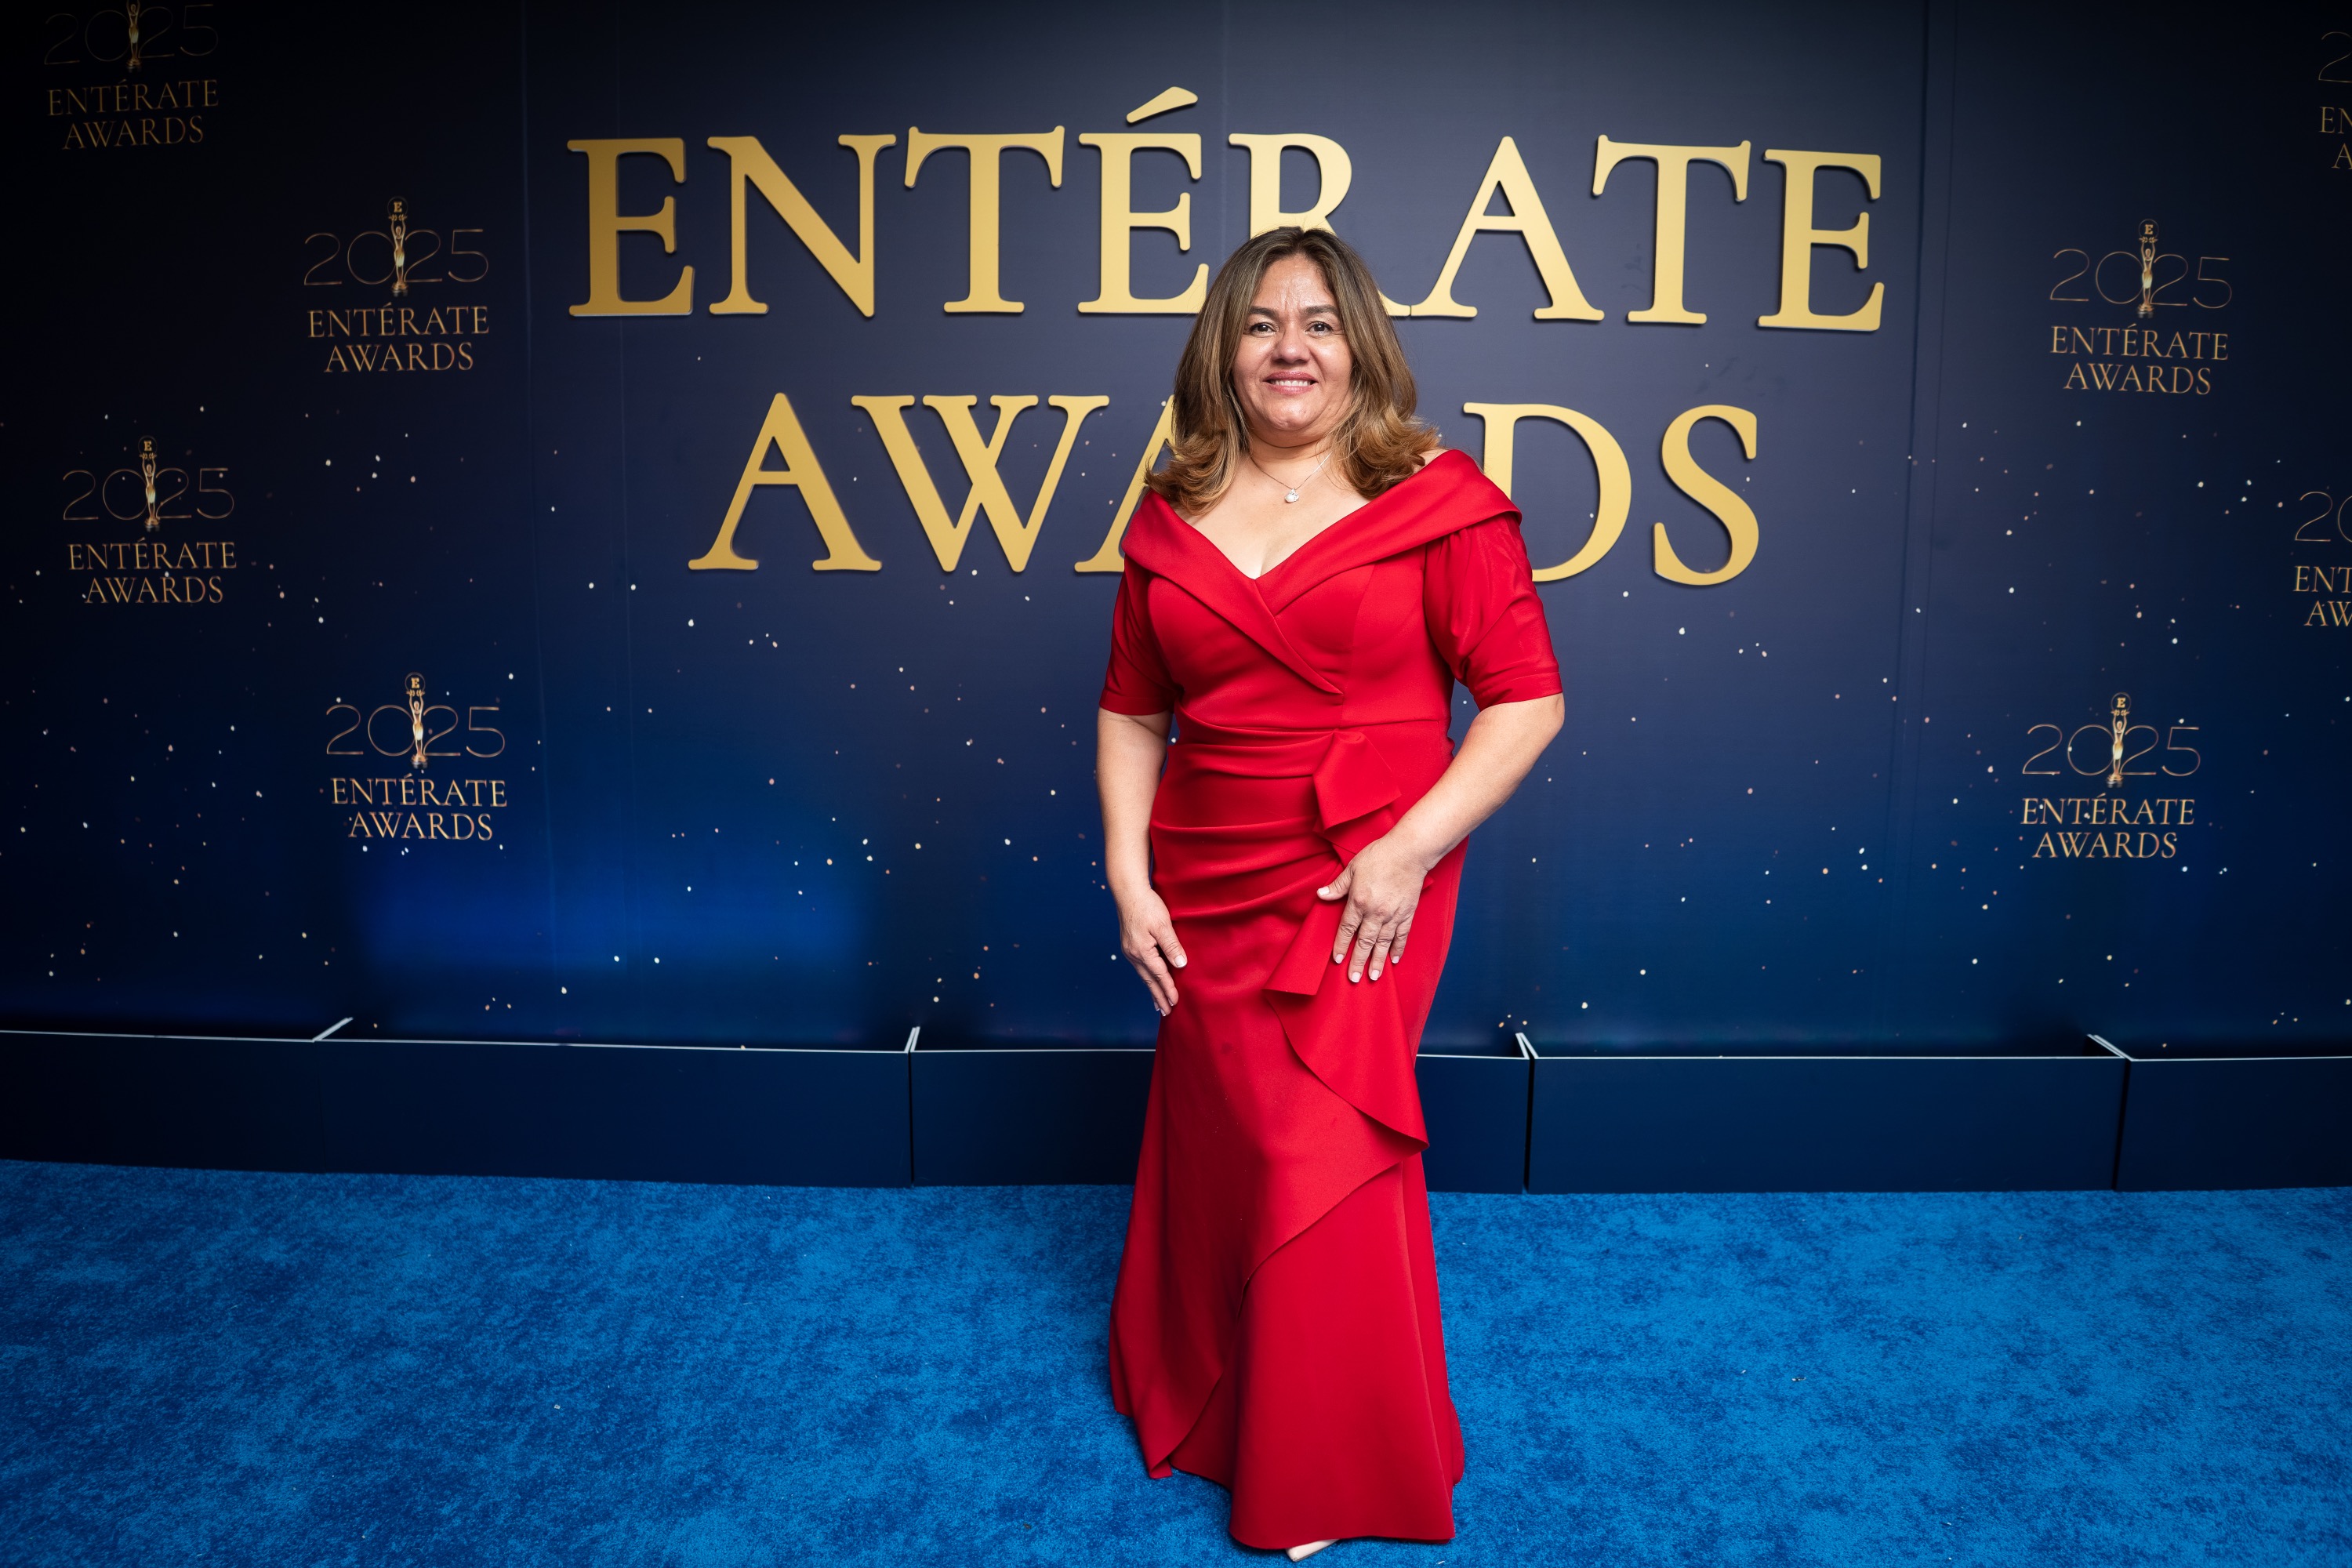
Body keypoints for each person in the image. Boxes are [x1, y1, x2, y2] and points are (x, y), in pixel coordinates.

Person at [1095, 227, 1564, 1558]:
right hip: (1202, 871)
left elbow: (1526, 703)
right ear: (1223, 351)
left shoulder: (1442, 503)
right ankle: (1214, 1386)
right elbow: (1132, 709)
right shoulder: (1170, 512)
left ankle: (1327, 1456)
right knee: (1231, 1131)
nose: (1289, 349)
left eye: (1317, 322)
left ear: (1362, 345)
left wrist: (1408, 853)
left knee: (1321, 1143)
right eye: (1259, 324)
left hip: (1367, 875)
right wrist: (1127, 873)